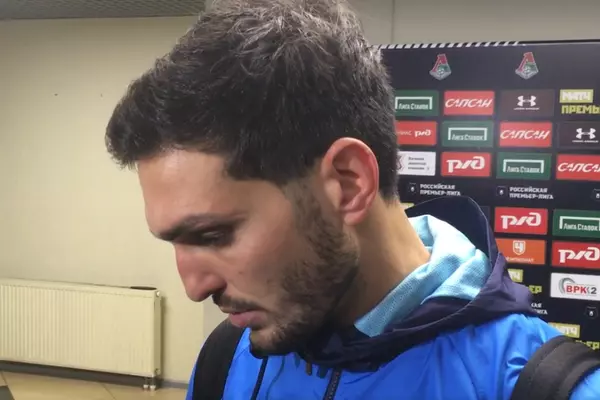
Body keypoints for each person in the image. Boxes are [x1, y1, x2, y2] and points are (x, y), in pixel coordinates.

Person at [104, 0, 600, 398]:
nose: (194, 287)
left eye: (214, 235)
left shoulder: (544, 388)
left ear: (347, 184)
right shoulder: (226, 358)